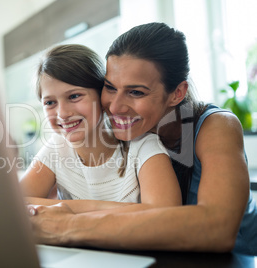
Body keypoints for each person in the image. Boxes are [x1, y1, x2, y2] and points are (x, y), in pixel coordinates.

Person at [27, 23, 257, 256]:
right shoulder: (118, 139)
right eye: (110, 88)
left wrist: (66, 222)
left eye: (136, 92)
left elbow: (217, 229)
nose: (114, 107)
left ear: (177, 93)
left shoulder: (215, 126)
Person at [20, 44, 182, 213]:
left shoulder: (143, 146)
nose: (63, 113)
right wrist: (97, 207)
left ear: (102, 95)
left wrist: (71, 210)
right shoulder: (56, 148)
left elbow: (165, 215)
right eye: (50, 102)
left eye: (74, 96)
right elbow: (14, 203)